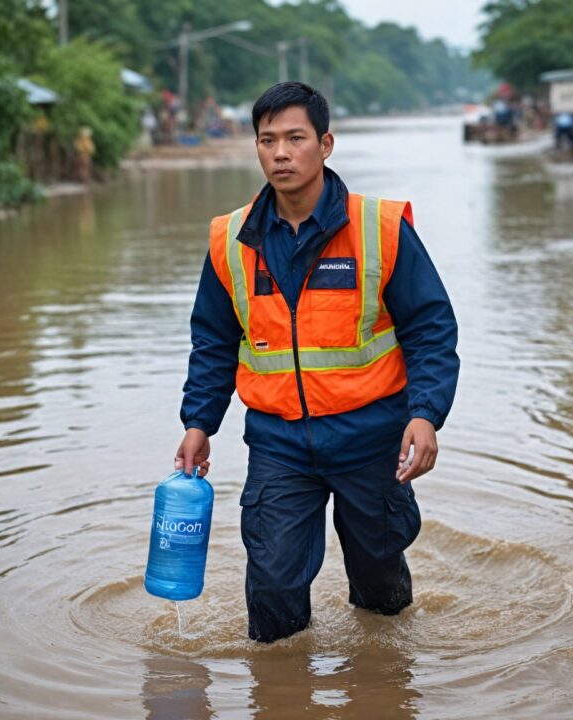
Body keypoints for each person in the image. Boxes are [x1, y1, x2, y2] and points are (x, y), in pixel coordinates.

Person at [174, 81, 459, 643]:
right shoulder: (231, 240)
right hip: (279, 444)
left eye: (295, 138)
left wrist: (425, 415)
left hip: (372, 439)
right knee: (274, 598)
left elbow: (430, 329)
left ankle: (384, 683)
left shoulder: (379, 228)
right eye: (267, 140)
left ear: (325, 144)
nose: (280, 152)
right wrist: (198, 423)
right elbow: (212, 341)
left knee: (381, 597)